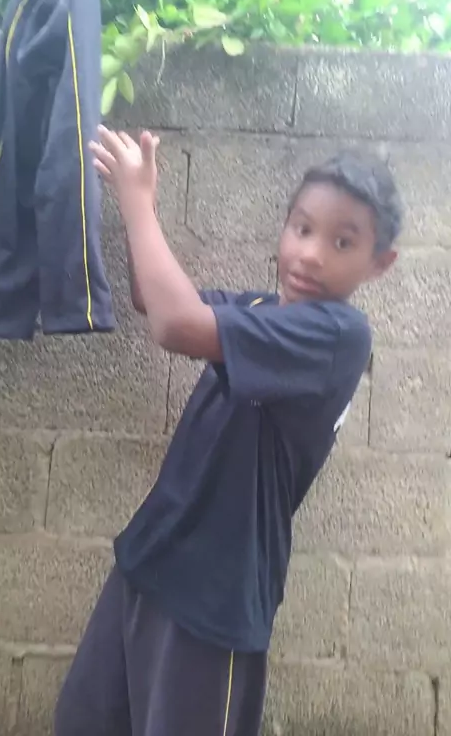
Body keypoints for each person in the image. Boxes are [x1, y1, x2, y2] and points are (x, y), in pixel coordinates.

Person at [55, 128, 402, 736]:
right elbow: (153, 299)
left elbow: (177, 324)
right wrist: (143, 203)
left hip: (215, 600)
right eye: (302, 228)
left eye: (342, 241)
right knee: (83, 721)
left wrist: (137, 204)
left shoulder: (338, 337)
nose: (311, 254)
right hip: (150, 560)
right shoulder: (258, 310)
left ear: (380, 263)